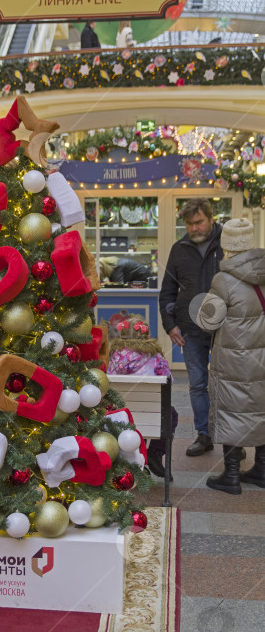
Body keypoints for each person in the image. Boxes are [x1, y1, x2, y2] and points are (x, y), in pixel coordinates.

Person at [196, 218, 265, 494]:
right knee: (261, 409)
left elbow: (207, 322)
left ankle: (231, 476)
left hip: (235, 361)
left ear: (227, 244)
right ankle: (261, 469)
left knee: (231, 410)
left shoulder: (223, 280)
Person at [159, 198, 223, 457]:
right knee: (197, 384)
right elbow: (167, 292)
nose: (194, 228)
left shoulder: (226, 245)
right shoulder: (179, 248)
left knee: (228, 385)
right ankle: (204, 435)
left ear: (211, 218)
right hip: (190, 330)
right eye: (189, 224)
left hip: (225, 330)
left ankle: (232, 441)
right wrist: (170, 326)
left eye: (199, 222)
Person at [107, 316, 177, 479]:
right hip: (151, 417)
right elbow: (168, 382)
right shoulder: (156, 358)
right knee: (171, 414)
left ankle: (136, 459)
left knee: (136, 411)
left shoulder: (115, 359)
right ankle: (154, 453)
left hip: (122, 416)